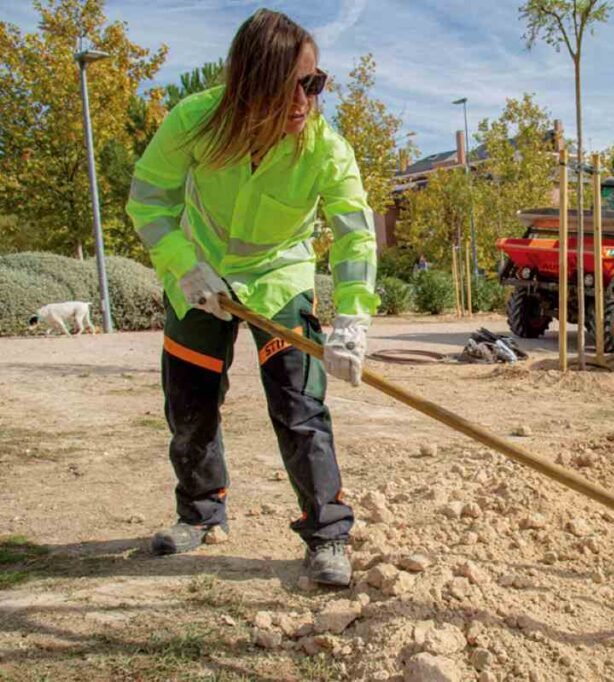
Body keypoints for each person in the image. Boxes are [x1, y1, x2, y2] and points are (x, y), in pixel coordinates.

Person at [125, 9, 378, 586]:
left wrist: (353, 322)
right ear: (247, 84)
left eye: (313, 83)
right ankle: (201, 512)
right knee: (190, 400)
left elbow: (355, 235)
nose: (304, 99)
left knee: (300, 404)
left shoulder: (325, 148)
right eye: (288, 84)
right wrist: (188, 271)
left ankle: (328, 533)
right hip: (201, 276)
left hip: (279, 279)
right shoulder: (193, 122)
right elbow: (149, 203)